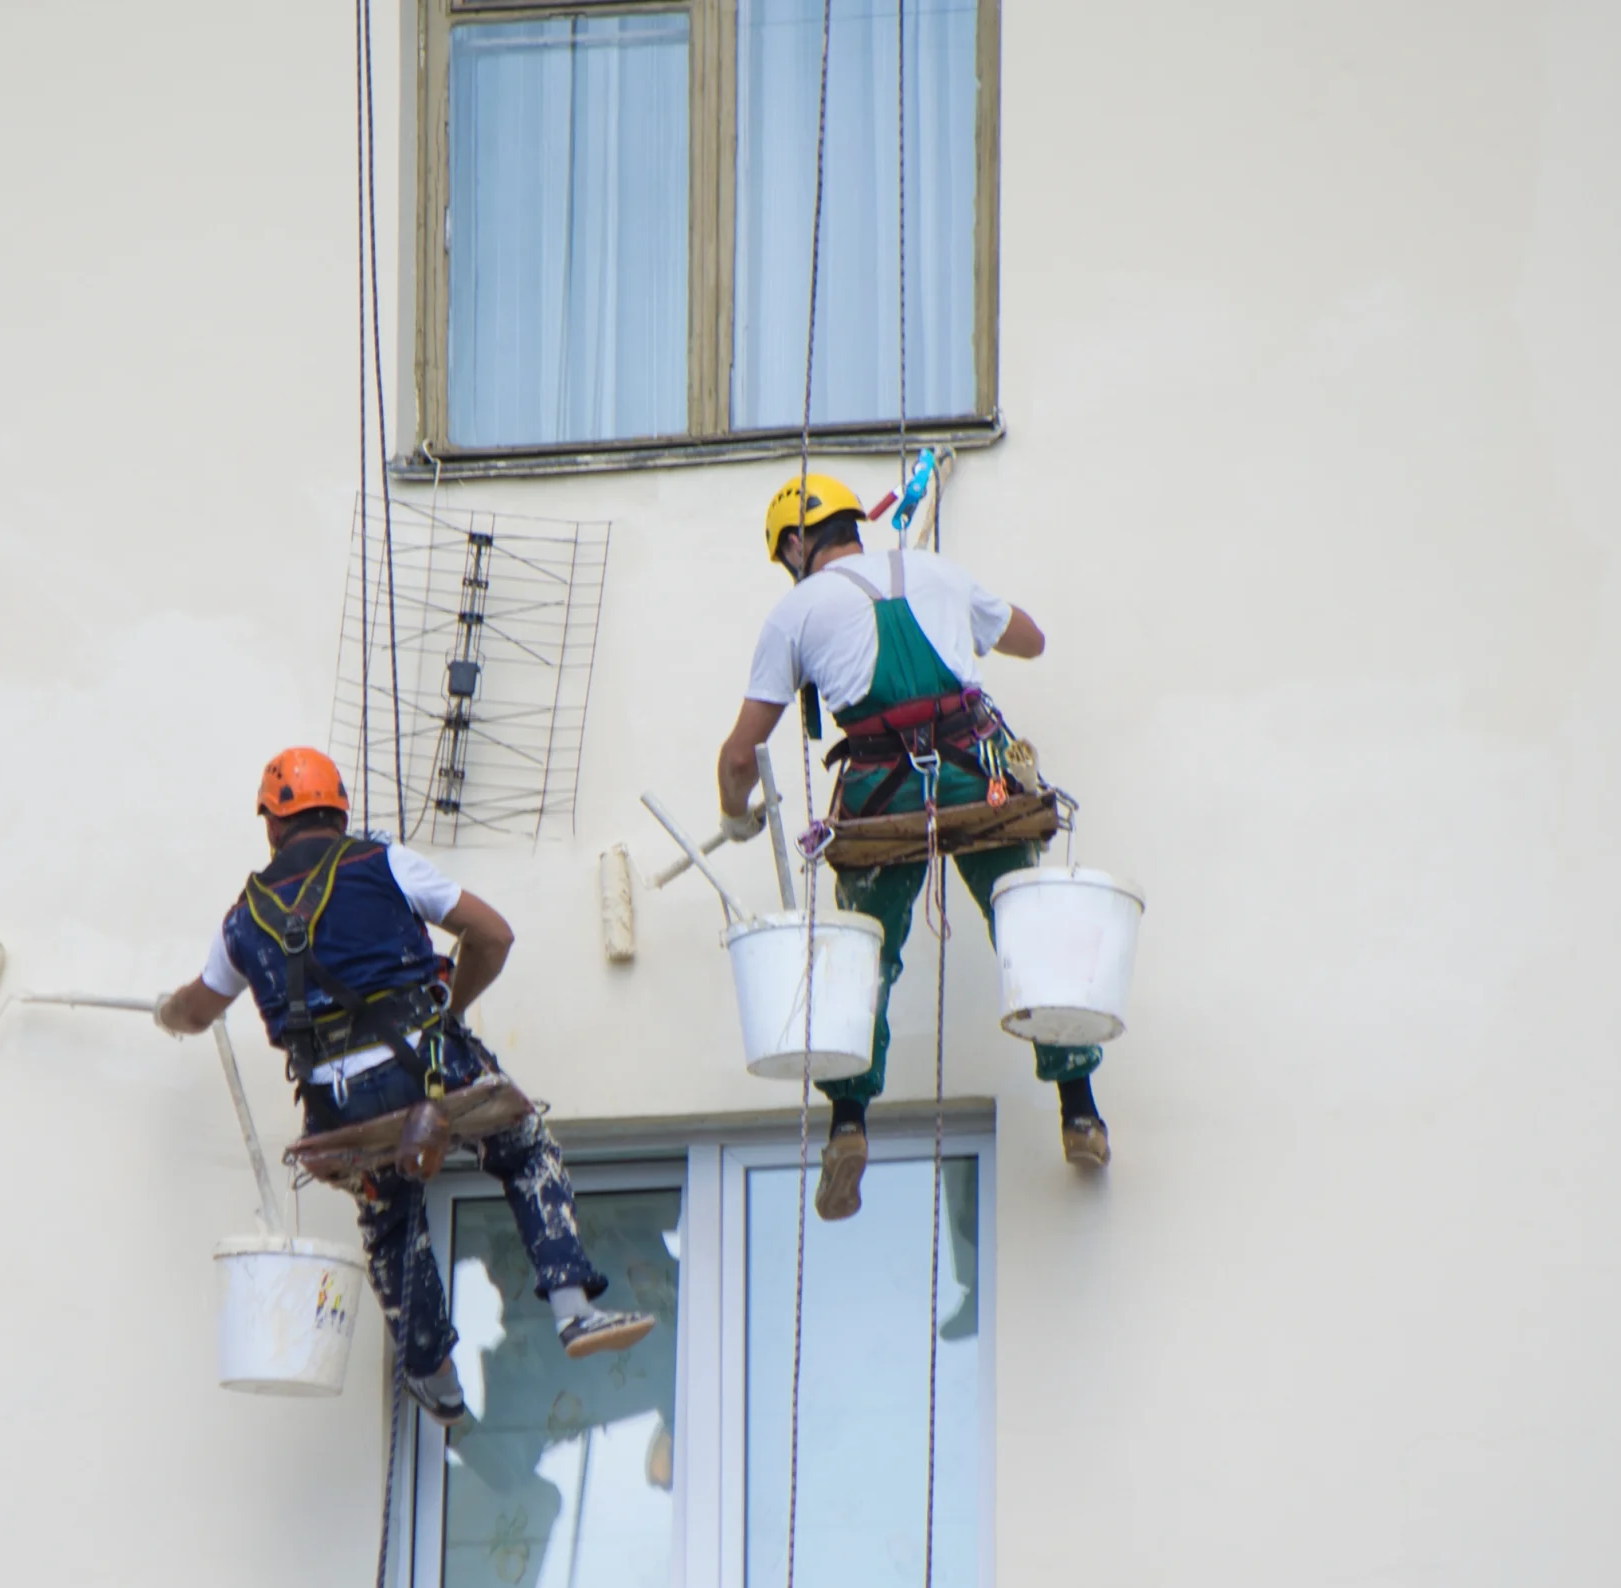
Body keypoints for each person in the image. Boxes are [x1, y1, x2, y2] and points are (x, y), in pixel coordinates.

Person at [155, 747, 653, 1423]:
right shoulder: (383, 862)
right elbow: (494, 936)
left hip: (337, 1113)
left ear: (271, 824)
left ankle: (434, 1377)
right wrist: (448, 1010)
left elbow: (196, 1010)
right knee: (522, 1145)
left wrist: (165, 1013)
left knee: (388, 1212)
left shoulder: (242, 920)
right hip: (427, 1074)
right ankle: (573, 1308)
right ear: (341, 813)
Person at [715, 474, 1112, 1218]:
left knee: (864, 957)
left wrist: (736, 814)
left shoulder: (796, 611)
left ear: (796, 545)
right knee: (1027, 930)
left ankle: (848, 1125)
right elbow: (1031, 640)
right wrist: (961, 609)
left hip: (882, 794)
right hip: (975, 776)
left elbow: (741, 757)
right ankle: (1079, 1110)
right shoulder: (935, 570)